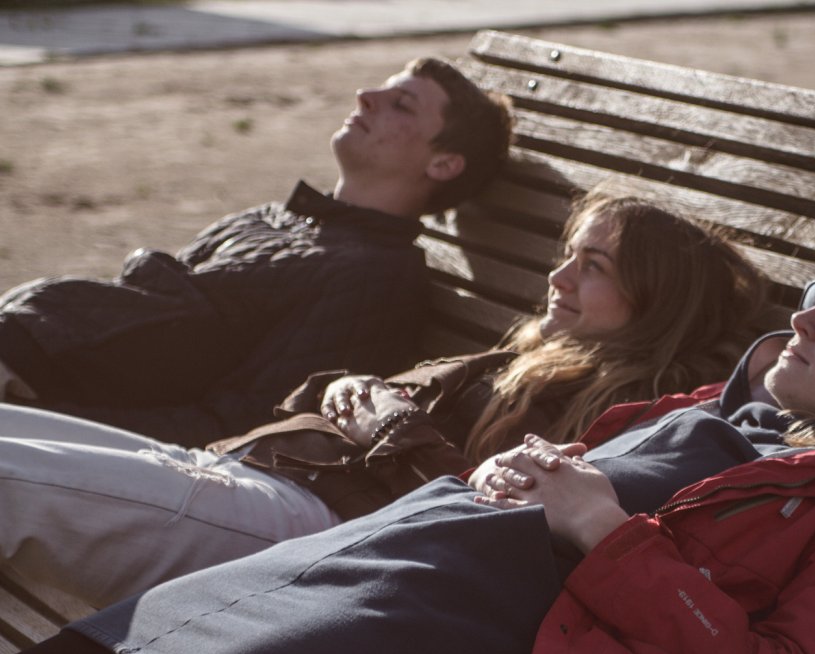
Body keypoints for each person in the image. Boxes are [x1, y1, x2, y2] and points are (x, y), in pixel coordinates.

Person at [0, 221, 815, 654]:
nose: (803, 319)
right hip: (363, 566)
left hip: (435, 643)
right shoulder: (744, 411)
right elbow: (601, 470)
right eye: (813, 293)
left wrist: (605, 533)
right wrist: (531, 467)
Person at [0, 189, 766, 608]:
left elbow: (479, 521)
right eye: (567, 256)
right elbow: (335, 403)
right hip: (265, 469)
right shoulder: (524, 356)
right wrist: (344, 387)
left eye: (592, 266)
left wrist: (386, 417)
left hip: (318, 527)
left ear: (654, 301)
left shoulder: (623, 409)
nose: (558, 278)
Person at [0, 56, 512, 446]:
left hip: (41, 393)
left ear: (443, 164)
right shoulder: (275, 217)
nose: (365, 95)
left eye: (401, 105)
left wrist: (46, 422)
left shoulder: (375, 276)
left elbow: (245, 422)